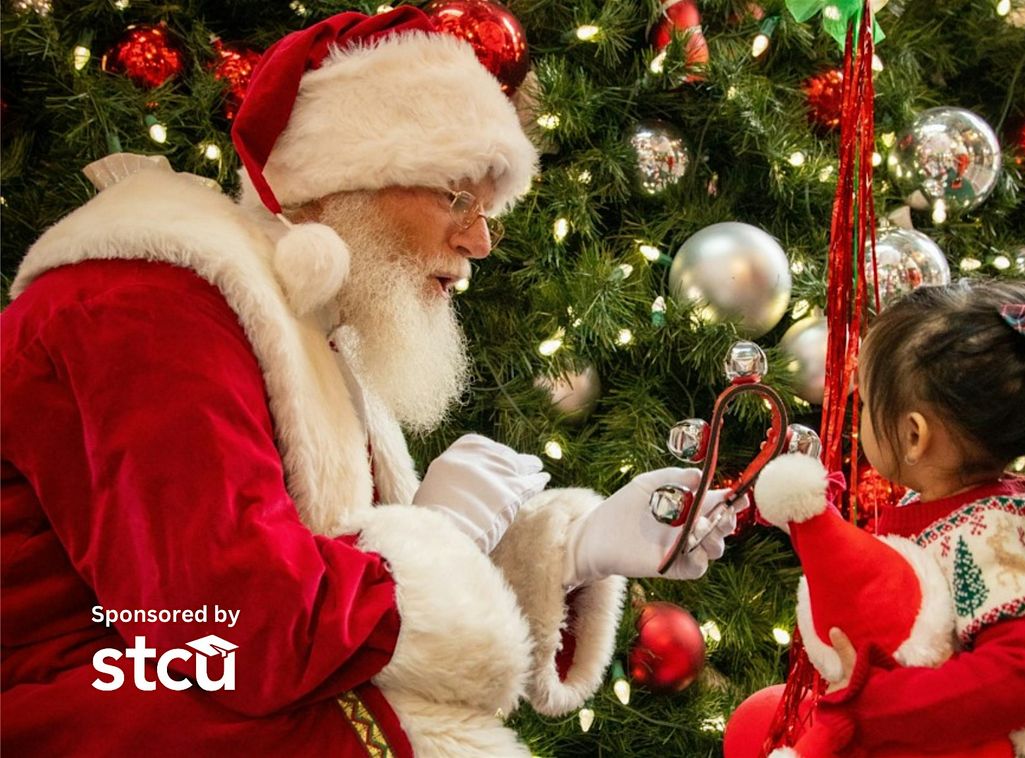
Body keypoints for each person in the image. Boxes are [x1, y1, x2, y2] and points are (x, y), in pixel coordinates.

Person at [0, 7, 739, 757]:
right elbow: (233, 631)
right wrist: (439, 537)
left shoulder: (292, 323)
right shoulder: (146, 306)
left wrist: (578, 549)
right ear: (337, 184)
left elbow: (339, 598)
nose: (480, 240)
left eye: (489, 211)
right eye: (456, 196)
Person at [750, 280, 1025, 757]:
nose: (857, 413)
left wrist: (876, 705)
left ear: (913, 435)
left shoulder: (995, 536)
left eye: (865, 402)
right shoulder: (950, 508)